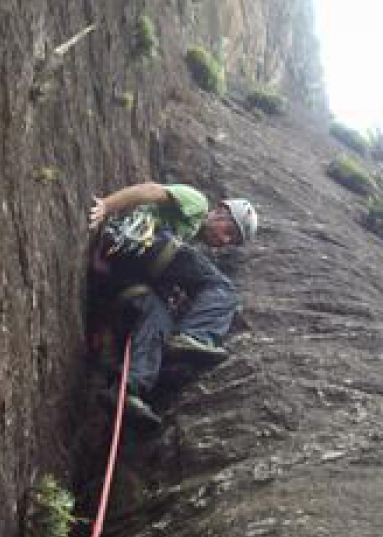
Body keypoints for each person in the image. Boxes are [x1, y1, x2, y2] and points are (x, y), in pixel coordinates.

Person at [86, 182, 257, 426]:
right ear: (219, 210)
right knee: (222, 288)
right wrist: (106, 205)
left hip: (122, 273)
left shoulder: (188, 238)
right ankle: (196, 335)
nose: (224, 240)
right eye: (229, 230)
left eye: (231, 241)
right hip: (143, 242)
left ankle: (127, 390)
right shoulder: (197, 204)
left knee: (159, 319)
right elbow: (151, 190)